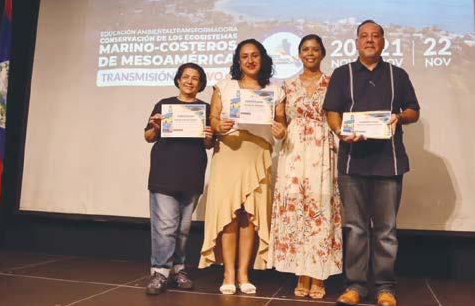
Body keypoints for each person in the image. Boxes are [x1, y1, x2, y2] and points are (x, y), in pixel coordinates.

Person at [323, 20, 420, 306]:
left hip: (389, 163)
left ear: (383, 41)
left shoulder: (397, 74)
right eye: (364, 36)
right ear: (356, 41)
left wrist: (399, 117)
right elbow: (331, 111)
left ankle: (385, 288)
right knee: (355, 228)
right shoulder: (342, 74)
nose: (369, 40)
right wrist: (339, 131)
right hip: (352, 163)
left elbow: (413, 111)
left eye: (375, 36)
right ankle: (355, 286)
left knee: (386, 231)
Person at [199, 39, 286, 295]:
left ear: (263, 58)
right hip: (229, 152)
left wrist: (280, 129)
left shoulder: (275, 89)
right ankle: (228, 274)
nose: (250, 60)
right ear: (238, 60)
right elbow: (213, 119)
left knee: (250, 215)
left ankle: (243, 274)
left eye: (255, 55)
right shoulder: (224, 86)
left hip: (257, 154)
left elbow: (281, 122)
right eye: (245, 56)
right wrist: (219, 126)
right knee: (229, 215)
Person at [268, 34, 342, 299]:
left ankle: (318, 273)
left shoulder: (333, 82)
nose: (310, 53)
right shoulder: (287, 85)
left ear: (322, 53)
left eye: (315, 49)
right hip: (294, 150)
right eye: (305, 49)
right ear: (299, 54)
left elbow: (338, 116)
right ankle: (301, 271)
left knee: (319, 207)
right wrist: (278, 130)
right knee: (296, 208)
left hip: (321, 147)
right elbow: (280, 120)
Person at [143, 63, 215, 295]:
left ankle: (177, 270)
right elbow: (148, 136)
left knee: (183, 229)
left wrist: (209, 135)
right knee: (165, 226)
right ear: (178, 80)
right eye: (185, 77)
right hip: (164, 173)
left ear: (200, 84)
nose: (189, 81)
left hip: (192, 173)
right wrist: (156, 127)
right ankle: (159, 272)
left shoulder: (205, 108)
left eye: (195, 78)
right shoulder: (164, 105)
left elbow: (209, 144)